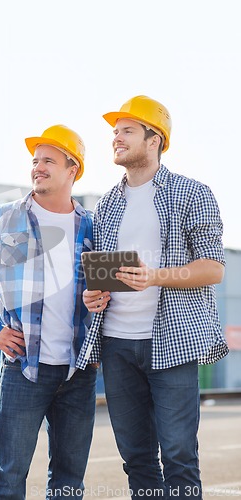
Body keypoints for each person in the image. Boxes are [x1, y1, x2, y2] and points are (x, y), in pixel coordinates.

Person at [80, 96, 229, 499]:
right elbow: (105, 276)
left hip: (172, 342)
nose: (116, 139)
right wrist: (93, 295)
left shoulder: (191, 193)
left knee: (179, 454)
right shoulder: (106, 204)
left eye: (127, 130)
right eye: (114, 132)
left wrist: (155, 277)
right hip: (116, 344)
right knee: (137, 457)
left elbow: (213, 267)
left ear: (154, 139)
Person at [0, 124, 97, 500]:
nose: (38, 167)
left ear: (72, 169)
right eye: (35, 160)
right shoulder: (2, 219)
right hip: (22, 368)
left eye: (49, 159)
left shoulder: (93, 227)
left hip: (78, 371)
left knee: (69, 482)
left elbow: (105, 294)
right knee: (8, 478)